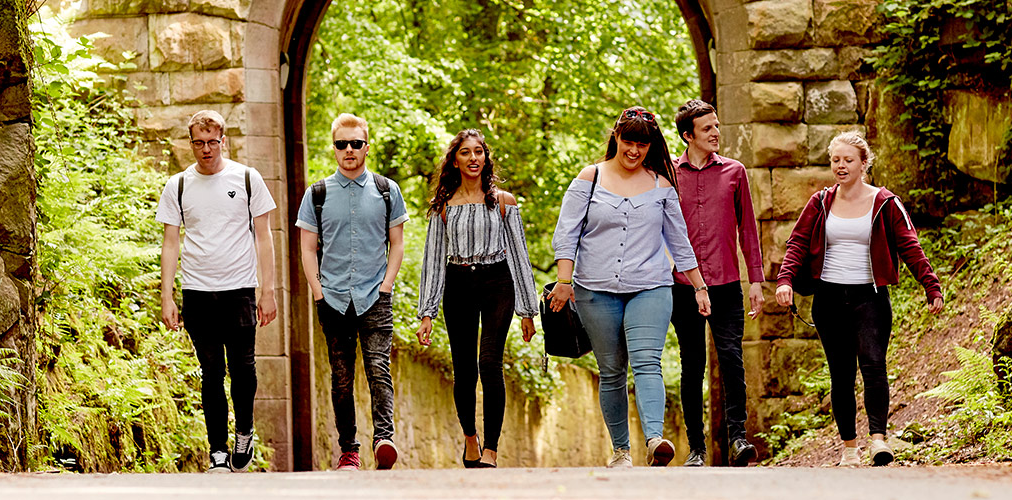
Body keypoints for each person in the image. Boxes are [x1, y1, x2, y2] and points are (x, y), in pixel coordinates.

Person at [548, 106, 713, 468]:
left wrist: (699, 287)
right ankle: (621, 451)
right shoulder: (589, 178)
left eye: (643, 144)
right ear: (617, 138)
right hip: (595, 289)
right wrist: (563, 281)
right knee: (611, 370)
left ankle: (654, 440)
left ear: (651, 146)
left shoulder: (661, 186)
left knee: (647, 361)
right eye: (629, 142)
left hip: (650, 286)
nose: (634, 151)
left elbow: (680, 242)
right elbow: (566, 234)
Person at [773, 131, 944, 467]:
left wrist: (931, 285)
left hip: (870, 297)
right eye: (835, 160)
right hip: (829, 298)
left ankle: (878, 440)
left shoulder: (885, 203)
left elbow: (910, 245)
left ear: (864, 163)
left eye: (848, 160)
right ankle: (849, 448)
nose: (841, 166)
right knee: (841, 374)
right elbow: (797, 243)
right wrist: (785, 280)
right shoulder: (820, 202)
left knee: (873, 365)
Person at [155, 110, 278, 473]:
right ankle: (218, 451)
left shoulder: (247, 178)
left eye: (212, 142)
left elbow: (264, 237)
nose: (206, 149)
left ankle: (244, 432)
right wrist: (167, 296)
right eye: (199, 142)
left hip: (239, 289)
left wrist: (267, 291)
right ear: (190, 143)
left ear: (224, 141)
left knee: (243, 370)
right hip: (197, 291)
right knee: (211, 372)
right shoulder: (178, 185)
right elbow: (170, 242)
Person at [414, 130, 541, 469]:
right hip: (458, 285)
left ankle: (492, 450)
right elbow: (432, 261)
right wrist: (426, 313)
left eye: (479, 152)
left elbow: (519, 256)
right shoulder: (442, 207)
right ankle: (471, 438)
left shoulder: (504, 202)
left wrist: (527, 310)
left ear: (486, 158)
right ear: (455, 161)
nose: (473, 158)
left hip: (498, 282)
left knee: (489, 362)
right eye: (466, 152)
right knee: (464, 369)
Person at [295, 113, 408, 471]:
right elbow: (307, 248)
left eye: (355, 143)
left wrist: (386, 286)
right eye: (341, 144)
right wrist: (318, 292)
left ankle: (384, 440)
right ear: (334, 148)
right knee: (341, 378)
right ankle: (349, 451)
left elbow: (397, 244)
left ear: (366, 147)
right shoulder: (317, 194)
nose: (349, 150)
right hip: (333, 298)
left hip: (376, 295)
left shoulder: (387, 191)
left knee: (378, 369)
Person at [668, 100, 763, 467]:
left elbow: (748, 229)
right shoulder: (669, 174)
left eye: (717, 126)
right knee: (692, 365)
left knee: (731, 359)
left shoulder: (735, 172)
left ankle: (738, 438)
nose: (715, 133)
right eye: (707, 128)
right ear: (687, 135)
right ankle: (696, 448)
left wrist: (756, 280)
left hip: (726, 284)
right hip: (683, 286)